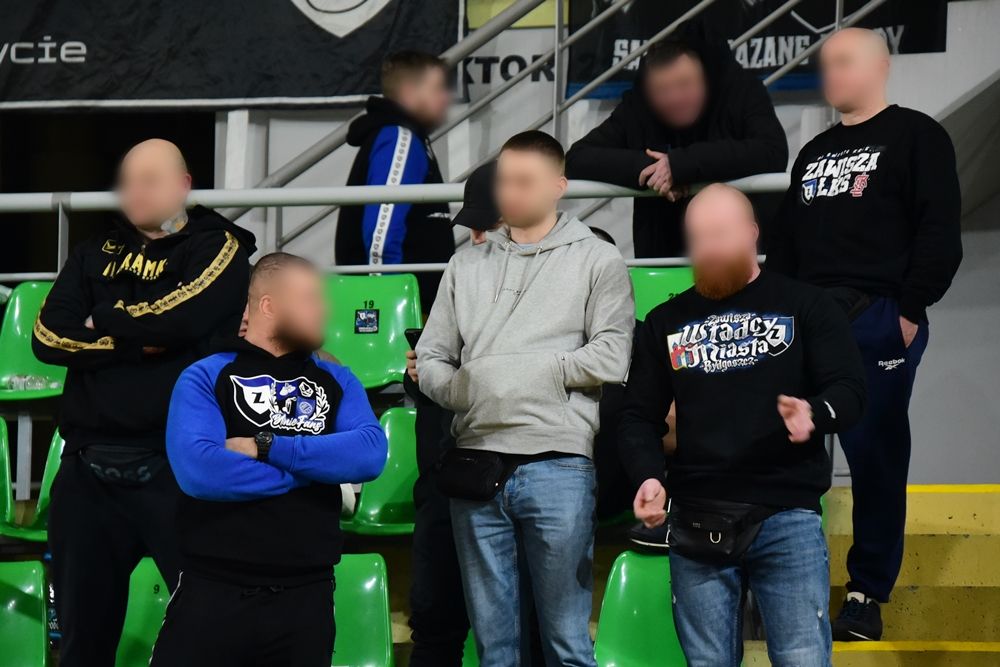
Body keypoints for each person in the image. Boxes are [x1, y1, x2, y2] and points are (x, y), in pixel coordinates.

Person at [767, 28, 962, 641]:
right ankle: (775, 583)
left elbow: (939, 230)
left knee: (876, 456)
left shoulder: (918, 135)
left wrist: (908, 311)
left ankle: (865, 594)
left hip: (877, 316)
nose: (832, 73)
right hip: (805, 318)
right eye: (826, 64)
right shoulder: (814, 151)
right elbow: (786, 246)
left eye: (845, 61)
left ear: (881, 66)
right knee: (780, 446)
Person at [620, 184, 866, 666]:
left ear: (752, 233)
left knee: (801, 659)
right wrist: (647, 475)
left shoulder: (807, 305)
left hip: (786, 512)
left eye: (719, 235)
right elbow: (636, 415)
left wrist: (814, 412)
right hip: (697, 515)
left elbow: (851, 392)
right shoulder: (665, 321)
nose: (708, 249)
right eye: (698, 239)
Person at [31, 139, 255, 667]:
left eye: (150, 180)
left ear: (184, 185)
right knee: (81, 644)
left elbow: (180, 318)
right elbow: (47, 335)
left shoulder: (219, 246)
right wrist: (133, 343)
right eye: (128, 180)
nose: (135, 191)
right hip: (87, 472)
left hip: (177, 469)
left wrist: (103, 319)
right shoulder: (94, 251)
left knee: (211, 635)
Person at [415, 130, 635, 667]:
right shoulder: (465, 265)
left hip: (558, 461)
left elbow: (613, 357)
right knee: (496, 650)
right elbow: (432, 357)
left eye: (523, 181)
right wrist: (466, 388)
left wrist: (524, 372)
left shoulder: (598, 259)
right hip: (476, 460)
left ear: (558, 185)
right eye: (504, 180)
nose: (508, 192)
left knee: (566, 644)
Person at [151, 252, 387, 667]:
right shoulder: (205, 375)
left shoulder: (337, 378)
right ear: (268, 305)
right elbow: (200, 471)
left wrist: (267, 446)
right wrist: (317, 470)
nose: (324, 310)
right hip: (213, 593)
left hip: (306, 598)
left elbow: (369, 453)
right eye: (310, 298)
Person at [565, 21, 787, 259]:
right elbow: (577, 157)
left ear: (706, 79)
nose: (675, 98)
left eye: (685, 84)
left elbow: (772, 150)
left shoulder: (741, 91)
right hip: (662, 256)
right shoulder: (639, 106)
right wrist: (651, 169)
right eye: (662, 90)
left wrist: (682, 165)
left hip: (739, 254)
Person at [402, 162, 499, 667]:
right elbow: (428, 389)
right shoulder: (458, 279)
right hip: (444, 488)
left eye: (488, 225)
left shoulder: (565, 286)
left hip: (508, 488)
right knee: (434, 630)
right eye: (473, 227)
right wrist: (419, 374)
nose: (476, 237)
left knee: (517, 634)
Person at [335, 50, 455, 306]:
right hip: (399, 309)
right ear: (410, 92)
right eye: (437, 89)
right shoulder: (399, 138)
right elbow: (382, 233)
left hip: (411, 305)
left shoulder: (408, 137)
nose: (446, 97)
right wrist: (384, 303)